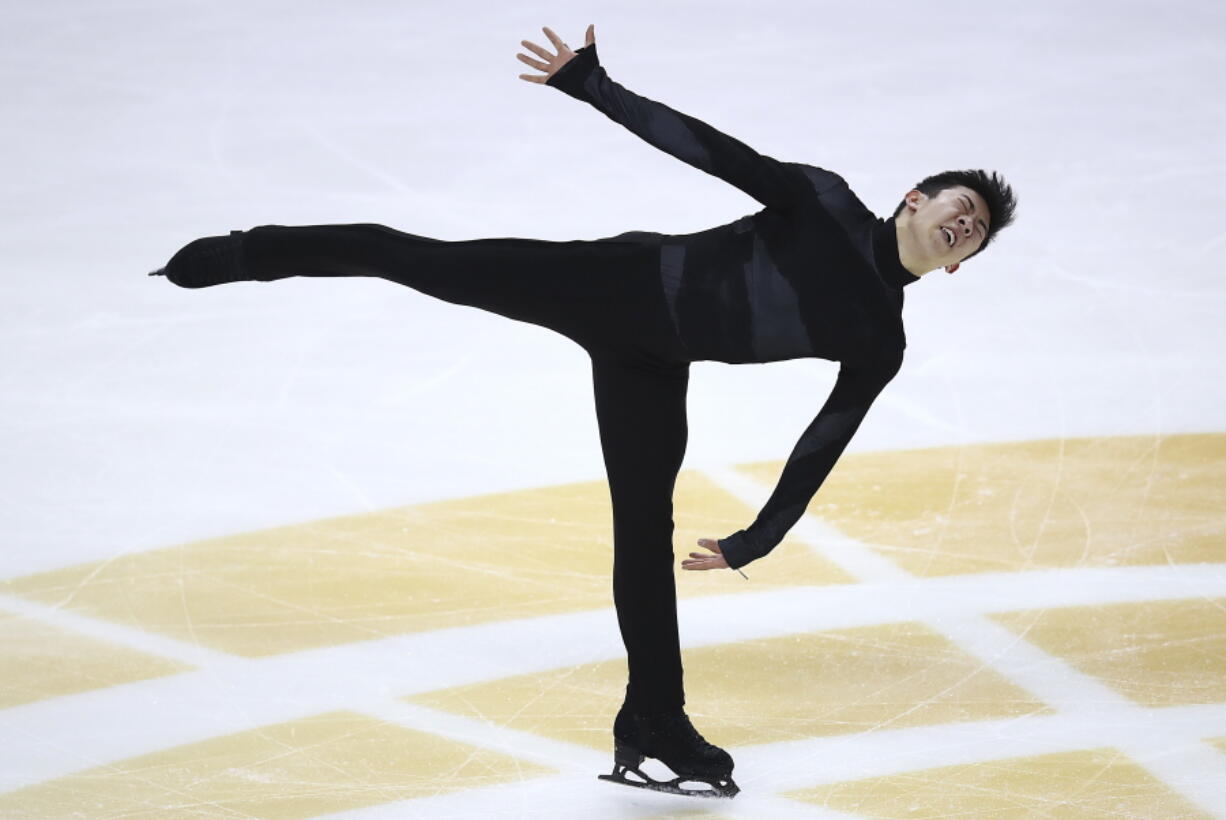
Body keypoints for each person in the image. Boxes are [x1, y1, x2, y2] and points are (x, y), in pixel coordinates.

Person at [150, 23, 1016, 799]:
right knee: (419, 259)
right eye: (958, 205)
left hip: (654, 362)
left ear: (959, 264)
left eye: (974, 229)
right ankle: (247, 254)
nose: (962, 222)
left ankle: (653, 723)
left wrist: (761, 537)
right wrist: (594, 86)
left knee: (643, 530)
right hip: (614, 283)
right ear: (915, 198)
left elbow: (825, 440)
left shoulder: (879, 341)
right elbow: (714, 152)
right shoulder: (824, 202)